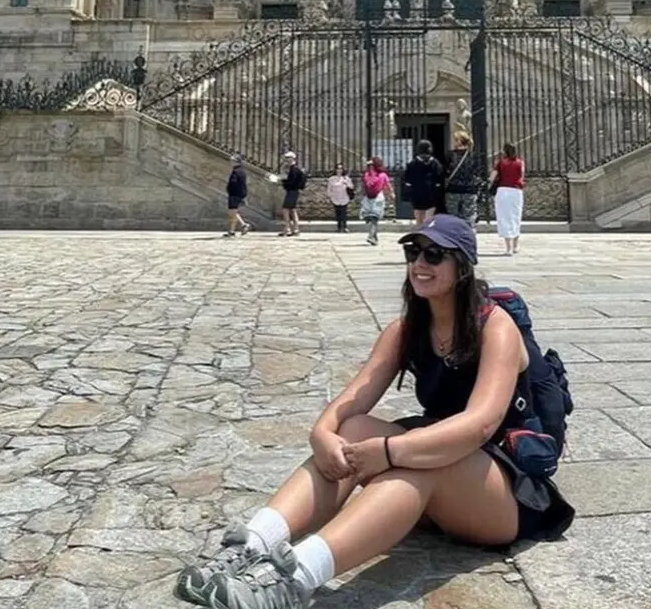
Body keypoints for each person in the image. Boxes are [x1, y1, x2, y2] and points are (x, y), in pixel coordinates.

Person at [173, 214, 574, 609]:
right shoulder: (405, 331)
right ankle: (251, 544)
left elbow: (478, 424)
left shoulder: (495, 327)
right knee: (355, 426)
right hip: (449, 471)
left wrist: (387, 452)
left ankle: (293, 580)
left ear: (463, 266)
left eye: (435, 255)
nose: (419, 263)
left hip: (505, 489)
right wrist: (323, 435)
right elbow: (352, 400)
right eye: (413, 251)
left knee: (415, 468)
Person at [490, 143, 525, 255]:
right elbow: (521, 176)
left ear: (504, 151)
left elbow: (492, 177)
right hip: (516, 191)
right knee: (516, 216)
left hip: (503, 190)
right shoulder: (520, 162)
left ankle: (508, 248)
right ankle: (515, 245)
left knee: (504, 217)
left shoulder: (500, 163)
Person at [444, 131, 481, 225]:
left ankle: (453, 237)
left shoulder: (450, 155)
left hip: (453, 189)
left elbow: (445, 172)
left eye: (455, 140)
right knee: (469, 217)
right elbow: (477, 172)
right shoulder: (473, 156)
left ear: (459, 141)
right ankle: (468, 236)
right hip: (469, 190)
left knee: (452, 217)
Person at [402, 140, 443, 226]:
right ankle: (428, 234)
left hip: (417, 193)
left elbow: (407, 181)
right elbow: (440, 179)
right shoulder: (436, 163)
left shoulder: (412, 164)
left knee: (419, 219)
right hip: (431, 194)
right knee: (429, 219)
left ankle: (421, 234)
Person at [360, 157, 393, 246]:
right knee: (375, 219)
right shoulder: (383, 175)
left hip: (368, 198)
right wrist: (392, 194)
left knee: (372, 218)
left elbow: (363, 186)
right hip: (378, 197)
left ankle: (374, 238)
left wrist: (361, 195)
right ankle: (371, 236)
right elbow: (388, 185)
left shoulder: (366, 174)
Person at [279, 152, 307, 237]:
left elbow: (292, 182)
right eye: (286, 158)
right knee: (292, 210)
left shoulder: (294, 169)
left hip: (292, 191)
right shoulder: (296, 168)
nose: (287, 160)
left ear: (292, 158)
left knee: (285, 209)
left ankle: (287, 229)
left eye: (288, 158)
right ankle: (296, 229)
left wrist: (282, 182)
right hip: (294, 191)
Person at [225, 154, 252, 237]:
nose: (230, 162)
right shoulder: (241, 171)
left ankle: (240, 227)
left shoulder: (237, 171)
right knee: (233, 212)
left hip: (234, 194)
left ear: (236, 162)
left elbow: (234, 183)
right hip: (237, 194)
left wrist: (230, 189)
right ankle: (234, 229)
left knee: (232, 213)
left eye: (232, 161)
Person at [326, 164, 354, 233]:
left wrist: (346, 183)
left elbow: (351, 187)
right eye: (338, 169)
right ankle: (339, 227)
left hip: (344, 197)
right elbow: (329, 189)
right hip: (335, 197)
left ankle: (345, 226)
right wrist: (329, 196)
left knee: (344, 212)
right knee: (338, 212)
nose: (339, 170)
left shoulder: (346, 178)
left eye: (341, 169)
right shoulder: (332, 179)